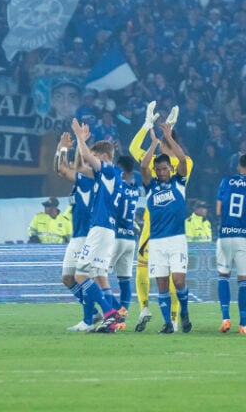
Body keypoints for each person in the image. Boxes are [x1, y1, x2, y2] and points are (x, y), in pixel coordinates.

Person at [129, 102, 193, 332]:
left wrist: (166, 136)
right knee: (158, 279)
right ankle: (162, 318)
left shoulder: (178, 173)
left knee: (176, 280)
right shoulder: (152, 177)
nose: (163, 171)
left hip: (174, 235)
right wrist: (153, 136)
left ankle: (178, 314)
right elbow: (141, 159)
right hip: (154, 233)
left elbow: (182, 160)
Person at [71, 117, 123, 333]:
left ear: (102, 156)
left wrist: (79, 137)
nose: (91, 159)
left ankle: (108, 312)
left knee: (80, 275)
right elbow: (81, 164)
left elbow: (84, 157)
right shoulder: (112, 176)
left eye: (95, 156)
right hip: (107, 230)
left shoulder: (109, 171)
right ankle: (110, 319)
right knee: (100, 276)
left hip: (100, 228)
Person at [54, 130, 99, 332]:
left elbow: (61, 169)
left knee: (83, 277)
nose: (73, 166)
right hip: (77, 236)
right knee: (68, 278)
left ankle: (89, 320)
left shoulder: (88, 181)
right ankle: (95, 313)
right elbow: (66, 167)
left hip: (86, 236)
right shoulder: (80, 184)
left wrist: (62, 147)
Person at [215, 152, 246, 334]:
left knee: (223, 275)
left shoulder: (226, 181)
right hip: (244, 236)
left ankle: (225, 318)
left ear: (238, 167)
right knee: (244, 280)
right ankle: (243, 324)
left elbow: (219, 210)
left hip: (225, 235)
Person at [108, 154, 142, 326]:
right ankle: (123, 318)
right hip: (130, 238)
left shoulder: (118, 184)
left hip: (117, 237)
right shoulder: (135, 187)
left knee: (97, 275)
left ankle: (115, 312)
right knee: (125, 280)